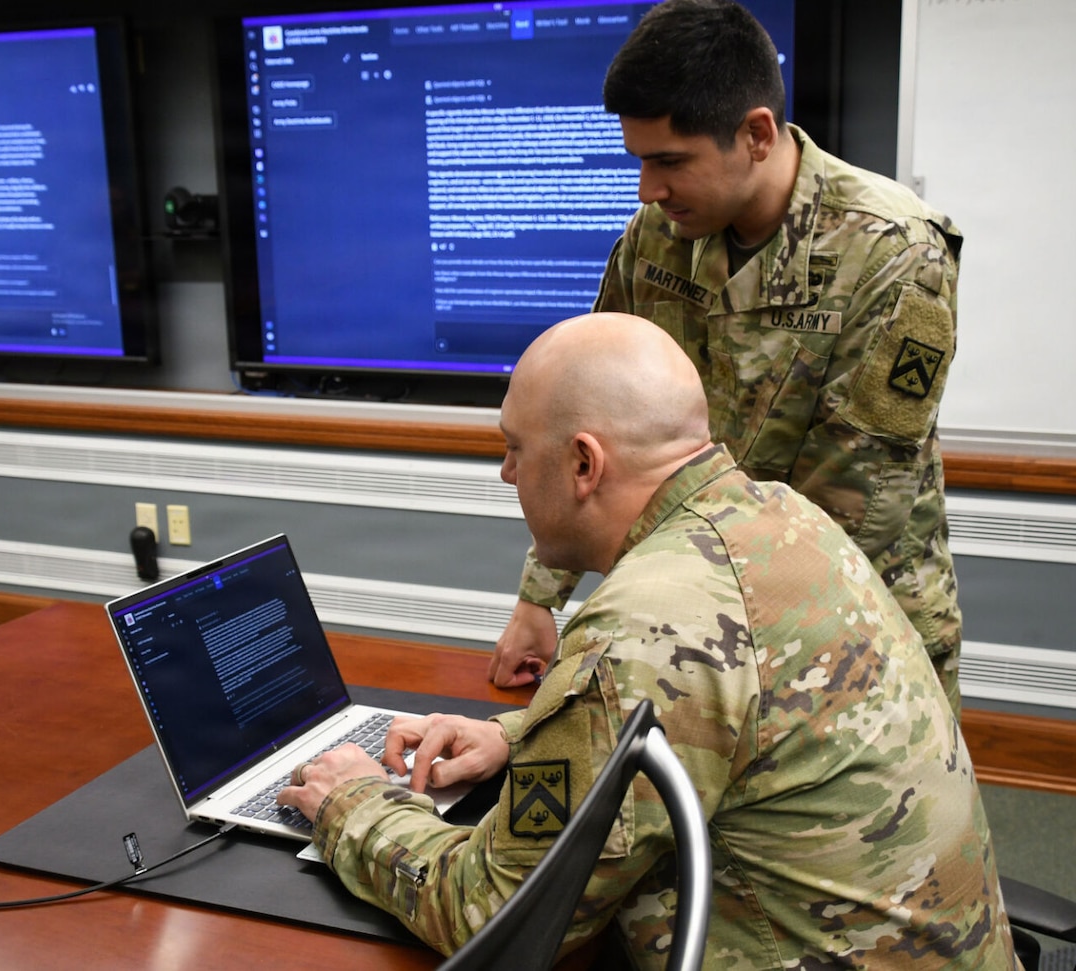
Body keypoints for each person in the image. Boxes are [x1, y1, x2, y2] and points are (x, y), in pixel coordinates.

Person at [278, 312, 1019, 969]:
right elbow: (717, 713)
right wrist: (522, 735)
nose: (505, 472)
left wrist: (353, 803)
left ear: (583, 464)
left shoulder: (645, 627)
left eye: (513, 447)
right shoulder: (778, 516)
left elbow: (496, 917)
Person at [489, 0, 966, 716]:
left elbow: (856, 504)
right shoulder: (658, 237)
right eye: (641, 162)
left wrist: (676, 621)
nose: (649, 189)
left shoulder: (894, 253)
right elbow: (582, 412)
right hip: (694, 619)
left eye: (669, 162)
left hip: (848, 625)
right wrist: (541, 597)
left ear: (756, 134)